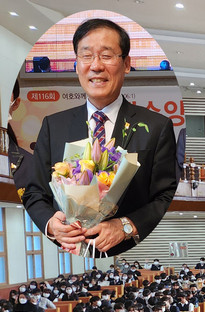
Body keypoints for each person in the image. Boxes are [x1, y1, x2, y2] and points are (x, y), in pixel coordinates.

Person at [23, 18, 177, 256]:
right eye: (86, 56)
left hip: (126, 248)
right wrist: (51, 226)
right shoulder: (54, 125)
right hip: (66, 249)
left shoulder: (156, 126)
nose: (95, 66)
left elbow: (166, 195)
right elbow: (35, 192)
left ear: (126, 64)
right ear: (76, 65)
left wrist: (126, 225)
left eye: (106, 56)